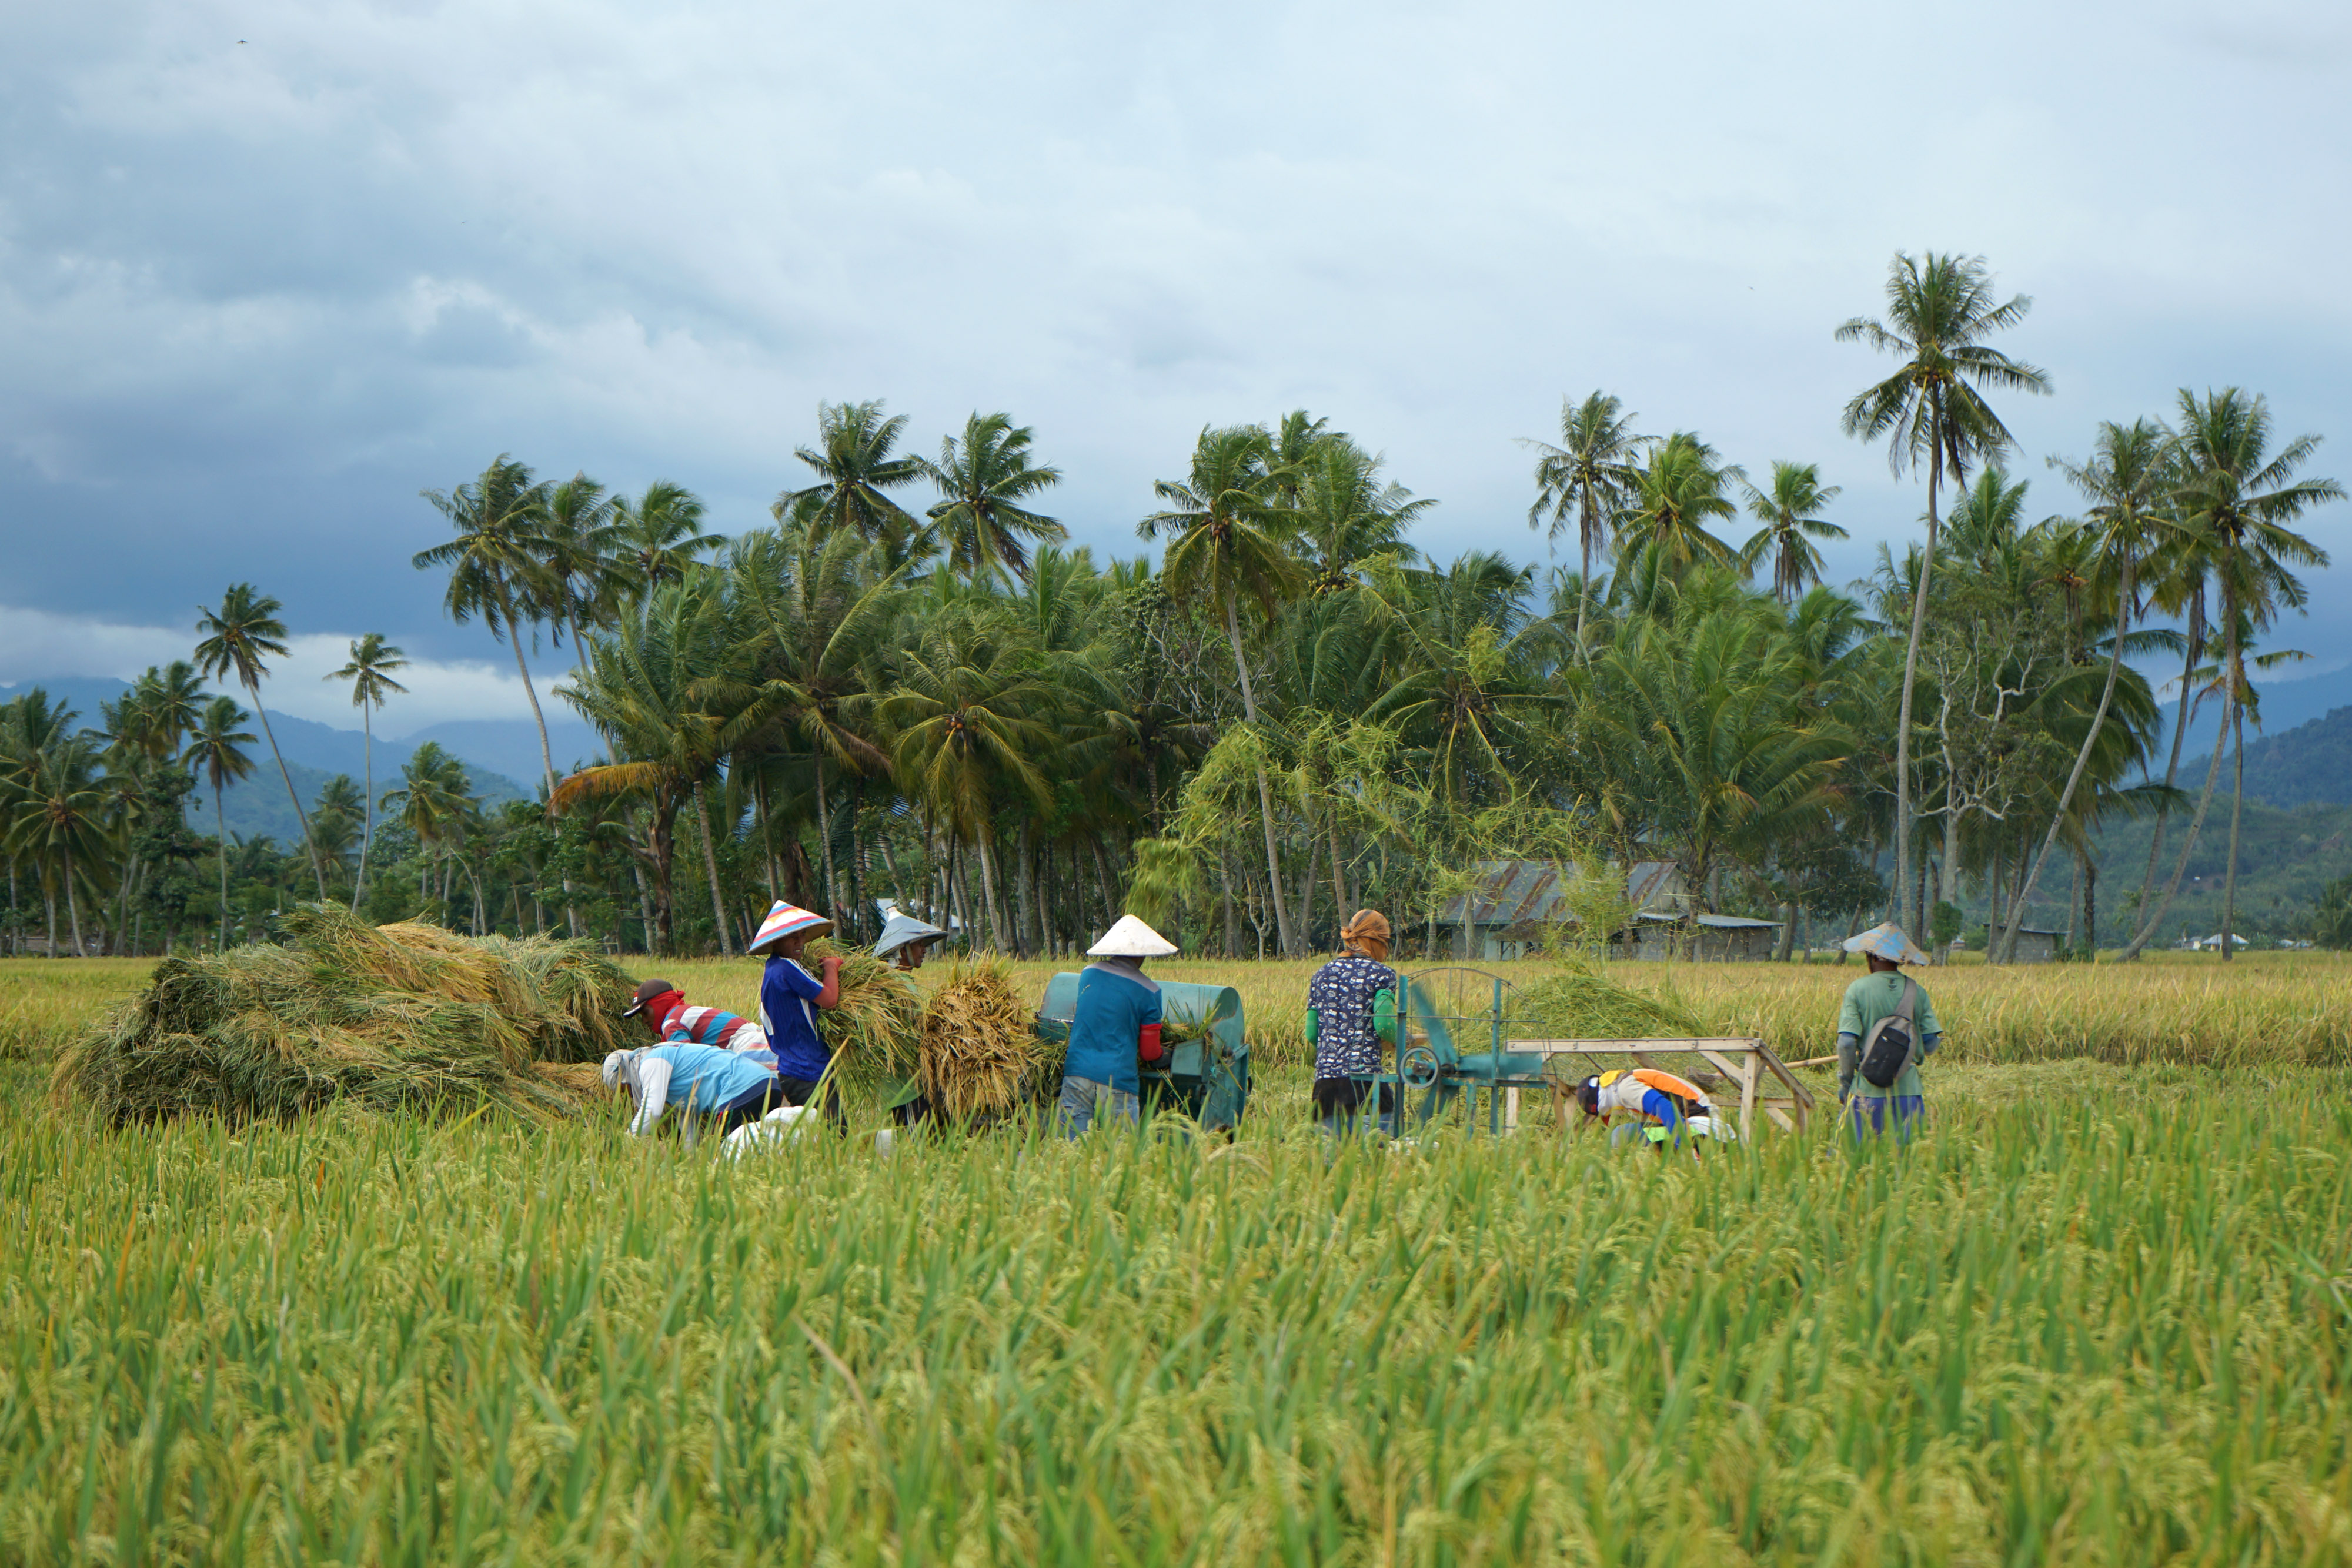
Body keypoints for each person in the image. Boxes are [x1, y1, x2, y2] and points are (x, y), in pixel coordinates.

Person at [1059, 914, 1172, 1138]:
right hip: (1117, 1081)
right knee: (1120, 1153)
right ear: (1143, 954)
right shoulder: (1150, 991)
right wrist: (1167, 1056)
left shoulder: (1088, 974)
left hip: (1077, 1073)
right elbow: (1149, 1052)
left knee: (1071, 1149)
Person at [1836, 922, 1942, 1141]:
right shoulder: (1917, 991)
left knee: (1854, 1156)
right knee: (1907, 1158)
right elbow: (1931, 1044)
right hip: (1909, 1093)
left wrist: (1846, 1084)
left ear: (1873, 958)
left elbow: (1846, 1043)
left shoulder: (1858, 989)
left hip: (1867, 1090)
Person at [746, 901, 847, 1129]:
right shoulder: (787, 968)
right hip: (809, 1070)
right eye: (792, 937)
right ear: (776, 941)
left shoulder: (772, 969)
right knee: (836, 1136)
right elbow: (830, 999)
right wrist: (831, 967)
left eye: (802, 936)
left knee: (818, 1136)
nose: (799, 942)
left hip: (792, 1071)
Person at [1307, 909, 1401, 1136]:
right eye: (1385, 943)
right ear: (1373, 941)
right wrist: (1405, 1039)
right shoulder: (1382, 975)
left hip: (1325, 1084)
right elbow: (1384, 1025)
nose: (1386, 951)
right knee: (1375, 1149)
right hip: (1364, 1082)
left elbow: (1312, 1034)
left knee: (1329, 1152)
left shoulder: (1322, 974)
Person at [602, 1041, 784, 1140]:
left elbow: (652, 1111)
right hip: (768, 1085)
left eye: (624, 1089)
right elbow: (689, 1124)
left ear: (625, 1076)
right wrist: (690, 1159)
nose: (629, 1094)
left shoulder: (652, 1062)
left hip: (742, 1089)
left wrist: (626, 1141)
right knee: (757, 1148)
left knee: (723, 1156)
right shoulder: (672, 1080)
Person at [621, 977, 770, 1059]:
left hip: (748, 1048)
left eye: (646, 1012)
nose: (644, 1021)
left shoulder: (671, 1023)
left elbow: (686, 1060)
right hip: (763, 1039)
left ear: (660, 1004)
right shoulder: (682, 1012)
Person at [1573, 1067, 1718, 1153]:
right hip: (1696, 1125)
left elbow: (1666, 1109)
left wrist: (1686, 1149)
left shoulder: (1626, 1088)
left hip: (1704, 1125)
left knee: (1621, 1135)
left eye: (1608, 1114)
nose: (1614, 1114)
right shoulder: (1626, 1088)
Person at [874, 909, 948, 972]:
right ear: (904, 950)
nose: (924, 951)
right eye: (920, 945)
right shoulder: (900, 981)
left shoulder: (900, 979)